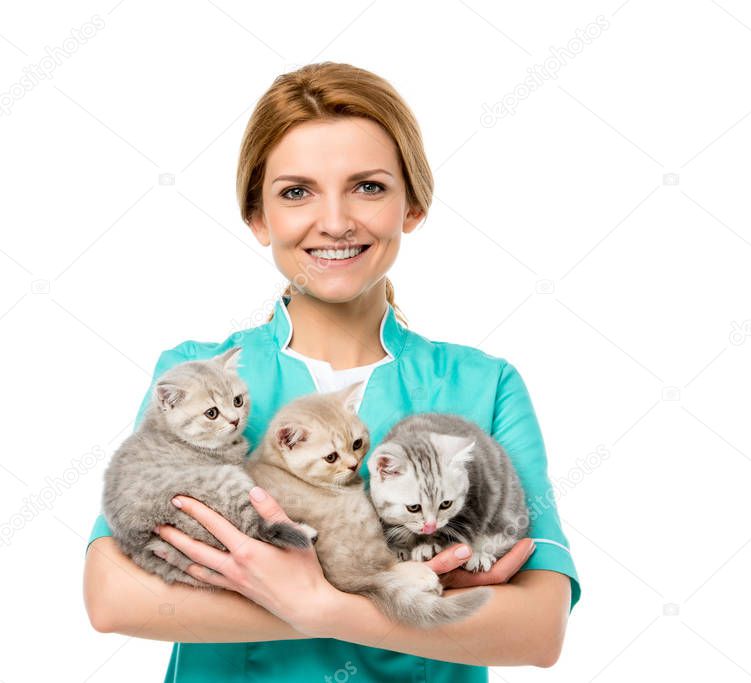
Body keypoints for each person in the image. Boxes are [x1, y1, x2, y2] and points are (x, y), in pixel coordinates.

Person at [83, 61, 580, 682]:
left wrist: (318, 603)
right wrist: (387, 591)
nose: (337, 221)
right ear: (258, 217)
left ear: (414, 204)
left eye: (368, 186)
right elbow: (113, 597)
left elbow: (538, 629)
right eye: (297, 192)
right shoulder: (198, 377)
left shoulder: (483, 384)